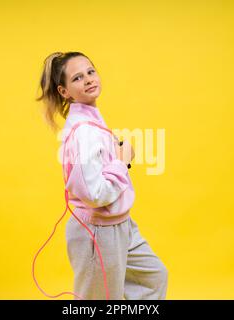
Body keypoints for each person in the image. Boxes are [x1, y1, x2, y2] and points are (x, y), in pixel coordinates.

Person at [36, 51, 168, 300]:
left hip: (121, 225)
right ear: (64, 92)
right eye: (77, 78)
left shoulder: (93, 122)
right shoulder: (82, 132)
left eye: (90, 72)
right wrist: (122, 162)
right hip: (97, 232)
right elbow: (95, 194)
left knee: (154, 277)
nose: (87, 79)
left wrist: (119, 159)